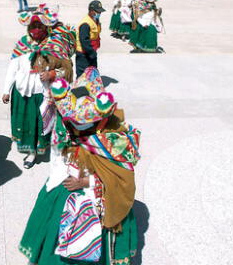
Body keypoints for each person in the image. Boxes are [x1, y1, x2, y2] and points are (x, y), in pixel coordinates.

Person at [19, 67, 141, 265]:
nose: (73, 130)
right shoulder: (68, 127)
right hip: (67, 185)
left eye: (80, 125)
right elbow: (59, 151)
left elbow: (122, 179)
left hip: (99, 199)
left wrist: (87, 181)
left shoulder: (115, 140)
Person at [3, 4, 75, 169]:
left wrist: (53, 74)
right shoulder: (22, 44)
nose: (35, 29)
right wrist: (6, 90)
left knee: (42, 123)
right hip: (22, 93)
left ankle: (47, 149)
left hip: (43, 94)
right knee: (27, 123)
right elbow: (12, 68)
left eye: (39, 25)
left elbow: (67, 69)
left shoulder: (55, 45)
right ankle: (31, 152)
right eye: (32, 25)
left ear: (45, 26)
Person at [76, 0, 105, 78]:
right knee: (82, 75)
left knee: (92, 72)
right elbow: (84, 40)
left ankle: (93, 87)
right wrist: (91, 53)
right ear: (91, 11)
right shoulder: (85, 24)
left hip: (91, 51)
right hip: (84, 53)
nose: (100, 14)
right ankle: (79, 90)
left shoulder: (95, 20)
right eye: (98, 12)